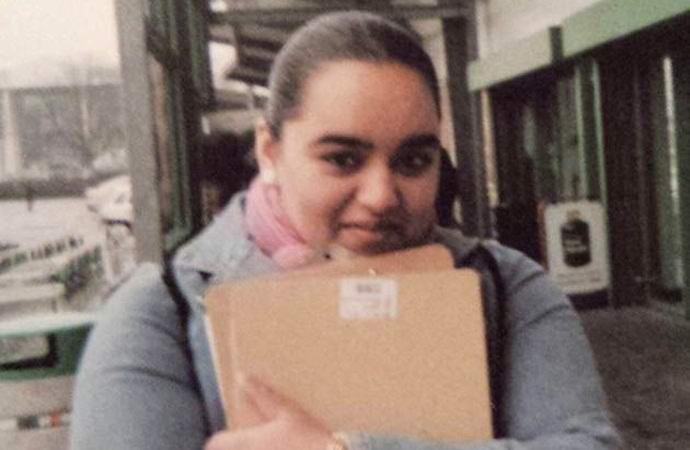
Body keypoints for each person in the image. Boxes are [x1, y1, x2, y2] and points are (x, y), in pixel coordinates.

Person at [70, 11, 621, 450]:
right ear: (270, 151)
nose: (381, 196)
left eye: (413, 161)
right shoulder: (161, 312)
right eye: (342, 159)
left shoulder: (508, 286)